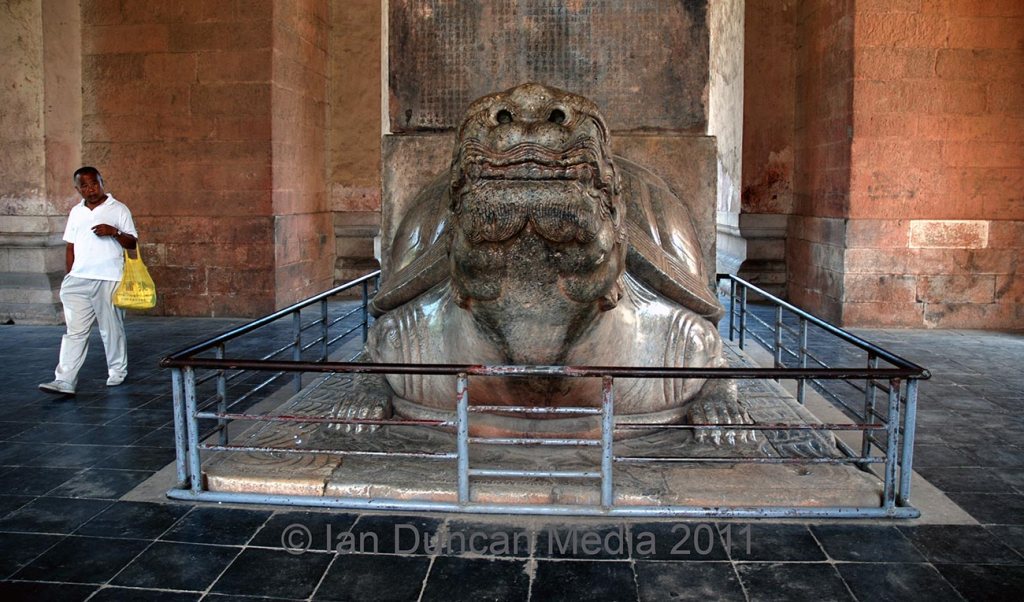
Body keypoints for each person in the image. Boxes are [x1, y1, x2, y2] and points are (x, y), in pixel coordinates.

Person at [39, 166, 138, 396]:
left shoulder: (119, 209)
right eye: (84, 186)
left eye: (94, 183)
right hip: (78, 281)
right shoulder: (76, 212)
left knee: (111, 329)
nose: (90, 189)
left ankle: (117, 371)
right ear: (77, 189)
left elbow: (132, 243)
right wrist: (69, 276)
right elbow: (70, 246)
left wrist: (114, 232)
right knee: (74, 332)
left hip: (108, 278)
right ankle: (64, 380)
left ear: (102, 182)